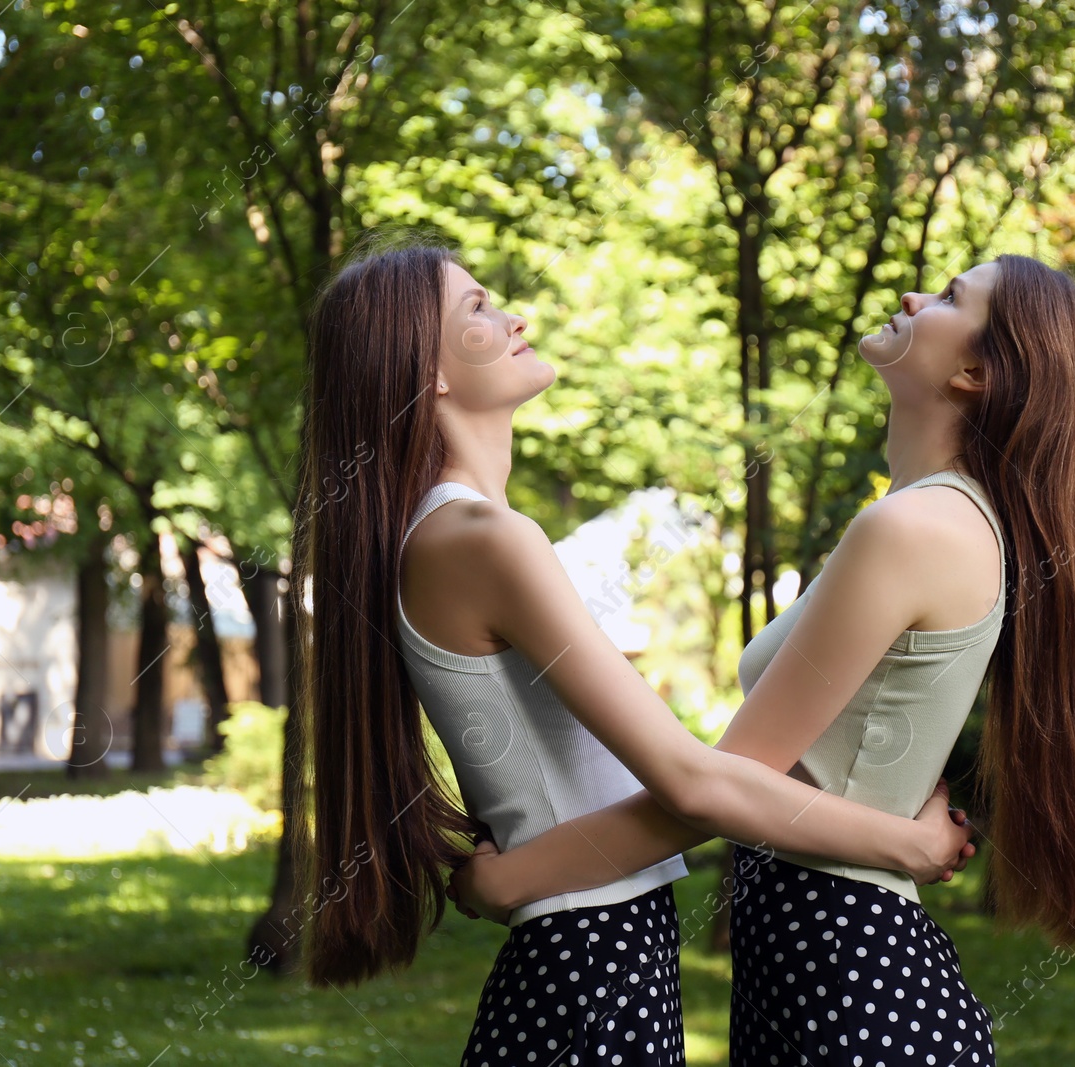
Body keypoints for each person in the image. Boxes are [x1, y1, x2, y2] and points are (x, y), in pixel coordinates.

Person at [454, 254, 1075, 1066]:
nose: (914, 295)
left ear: (978, 370)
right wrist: (896, 835)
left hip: (850, 986)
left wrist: (514, 881)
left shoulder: (917, 531)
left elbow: (713, 787)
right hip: (818, 976)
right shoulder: (925, 519)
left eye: (950, 298)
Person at [291, 233, 976, 1067]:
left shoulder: (454, 532)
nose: (516, 316)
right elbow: (689, 780)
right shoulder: (478, 536)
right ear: (424, 371)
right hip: (586, 969)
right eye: (478, 306)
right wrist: (907, 844)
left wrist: (513, 875)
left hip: (593, 966)